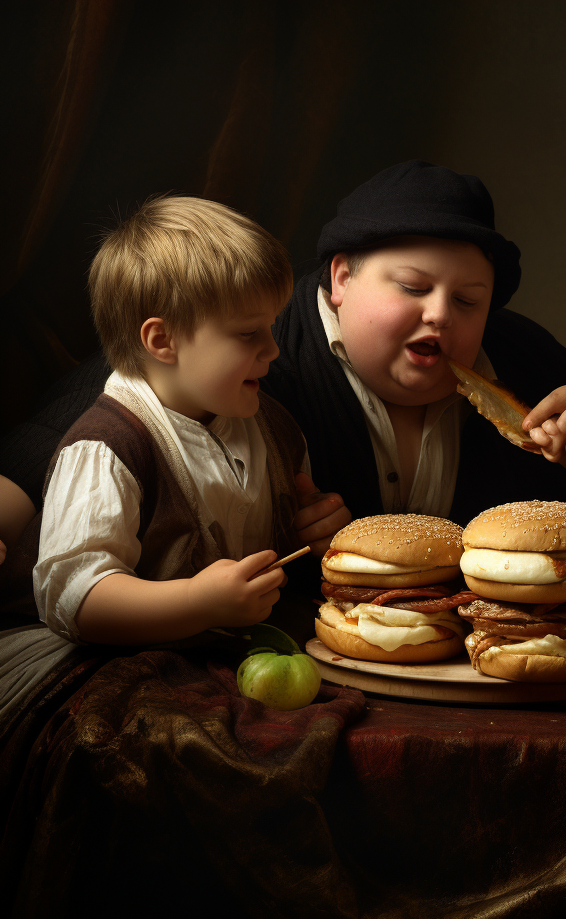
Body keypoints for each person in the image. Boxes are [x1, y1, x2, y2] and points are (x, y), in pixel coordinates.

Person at [0, 161, 566, 545]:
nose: (441, 313)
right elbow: (102, 411)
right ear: (339, 279)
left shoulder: (520, 360)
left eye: (469, 300)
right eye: (413, 287)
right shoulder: (255, 337)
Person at [0, 196, 347, 708]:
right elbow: (76, 598)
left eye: (272, 327)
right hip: (89, 654)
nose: (273, 350)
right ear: (163, 340)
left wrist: (313, 528)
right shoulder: (107, 445)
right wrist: (200, 601)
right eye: (249, 333)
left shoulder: (275, 427)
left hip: (224, 647)